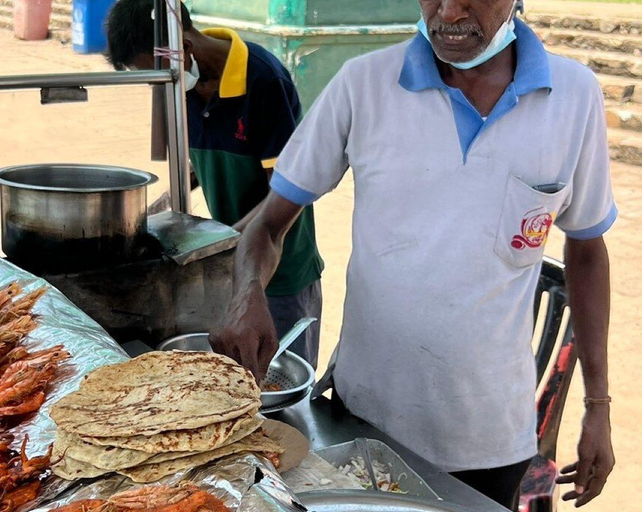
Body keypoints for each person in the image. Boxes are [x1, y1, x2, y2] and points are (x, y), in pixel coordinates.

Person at [209, 0, 616, 509]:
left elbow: (587, 252)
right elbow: (267, 224)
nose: (447, 12)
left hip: (491, 436)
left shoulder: (574, 96)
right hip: (366, 423)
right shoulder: (363, 84)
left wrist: (597, 406)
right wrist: (247, 293)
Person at [106, 0, 324, 367]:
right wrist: (154, 213)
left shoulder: (263, 80)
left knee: (271, 381)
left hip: (281, 271)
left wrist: (218, 241)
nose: (156, 86)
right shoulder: (180, 86)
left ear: (185, 49)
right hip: (230, 262)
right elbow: (200, 160)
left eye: (153, 73)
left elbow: (285, 192)